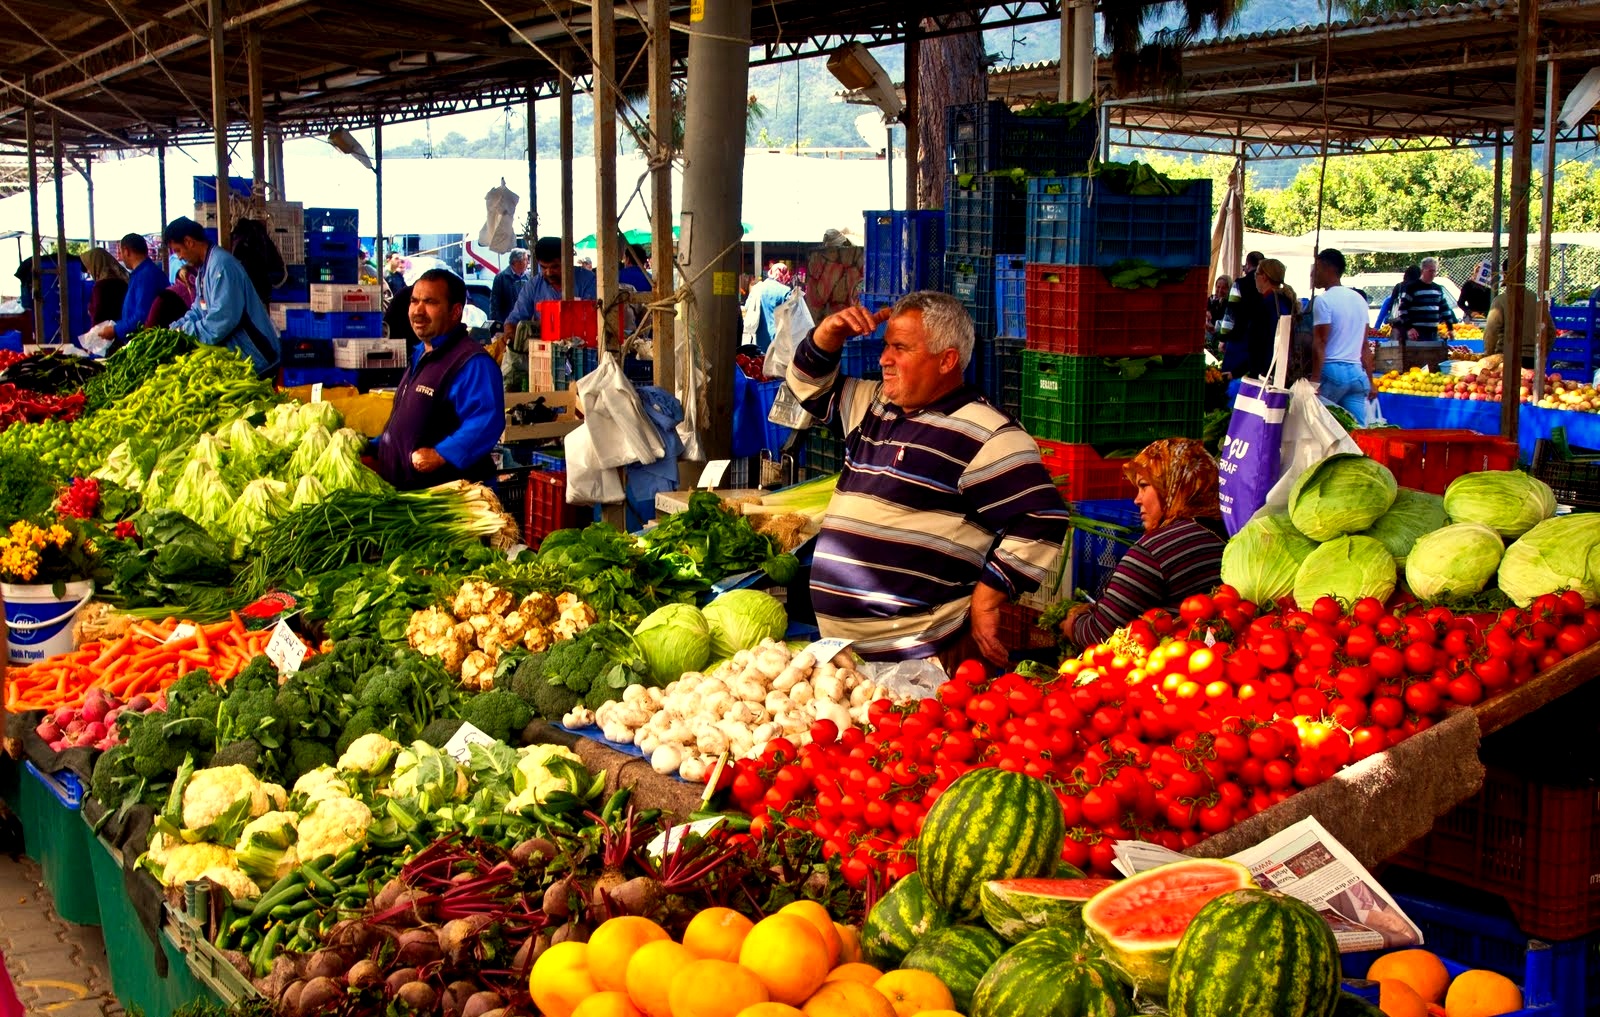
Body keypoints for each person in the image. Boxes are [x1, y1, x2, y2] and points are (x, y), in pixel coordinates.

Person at [786, 291, 1070, 668]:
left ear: (946, 360)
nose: (884, 359)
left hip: (921, 657)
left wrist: (988, 598)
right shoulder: (873, 406)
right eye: (886, 345)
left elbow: (1043, 517)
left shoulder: (987, 433)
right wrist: (828, 335)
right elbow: (806, 385)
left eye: (900, 348)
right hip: (846, 654)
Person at [1058, 438, 1225, 648]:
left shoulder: (1154, 551)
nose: (1137, 499)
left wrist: (1073, 624)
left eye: (1144, 486)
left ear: (1172, 485)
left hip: (1172, 661)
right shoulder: (1229, 531)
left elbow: (1100, 634)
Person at [374, 269, 506, 490]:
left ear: (455, 312)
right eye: (414, 301)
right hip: (410, 494)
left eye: (430, 302)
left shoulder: (471, 362)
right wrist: (378, 444)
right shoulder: (421, 353)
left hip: (450, 498)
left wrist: (441, 454)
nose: (418, 311)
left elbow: (486, 420)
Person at [163, 216, 280, 375]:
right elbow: (198, 310)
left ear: (189, 242)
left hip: (257, 358)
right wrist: (177, 328)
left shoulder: (222, 266)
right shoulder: (203, 271)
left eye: (178, 250)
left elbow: (222, 319)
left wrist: (186, 332)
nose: (179, 257)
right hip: (241, 361)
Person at [1309, 248, 1377, 420]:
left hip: (1332, 372)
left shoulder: (1323, 300)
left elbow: (1320, 342)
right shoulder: (1359, 300)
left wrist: (1315, 381)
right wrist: (1371, 382)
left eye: (1316, 268)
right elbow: (1365, 346)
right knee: (1357, 429)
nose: (1313, 274)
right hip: (1357, 375)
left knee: (1321, 425)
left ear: (1328, 268)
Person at [83, 234, 165, 350]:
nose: (120, 257)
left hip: (146, 343)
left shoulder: (145, 275)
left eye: (121, 252)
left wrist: (115, 330)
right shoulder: (141, 273)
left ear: (126, 251)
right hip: (139, 340)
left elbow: (142, 315)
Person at [1484, 260, 1558, 363]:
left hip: (1505, 359)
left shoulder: (1500, 301)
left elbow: (1491, 332)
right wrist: (1542, 354)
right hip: (1532, 359)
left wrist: (1488, 356)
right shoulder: (1535, 299)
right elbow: (1550, 331)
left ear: (1504, 275)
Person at [1244, 258, 1300, 379]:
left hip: (1266, 370)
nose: (1255, 278)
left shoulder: (1266, 304)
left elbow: (1257, 343)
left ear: (1264, 277)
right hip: (1284, 367)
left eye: (1256, 274)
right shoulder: (1286, 301)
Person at [1216, 251, 1265, 386]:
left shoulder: (1239, 284)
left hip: (1239, 338)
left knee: (1231, 379)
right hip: (1258, 339)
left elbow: (1230, 312)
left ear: (1247, 264)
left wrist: (1223, 339)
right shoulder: (1266, 286)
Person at [1398, 257, 1457, 344]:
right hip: (1416, 334)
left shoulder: (1438, 289)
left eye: (1434, 271)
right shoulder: (1412, 288)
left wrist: (1450, 328)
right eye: (1430, 271)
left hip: (1433, 332)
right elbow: (1402, 309)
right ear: (1422, 271)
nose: (1433, 274)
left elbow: (1445, 309)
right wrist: (1409, 328)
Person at [742, 262, 795, 351]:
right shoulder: (785, 291)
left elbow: (747, 307)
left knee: (760, 358)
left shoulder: (757, 288)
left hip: (758, 336)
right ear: (784, 275)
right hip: (778, 337)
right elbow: (792, 316)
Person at [81, 247, 128, 326]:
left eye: (89, 268)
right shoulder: (123, 281)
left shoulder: (101, 287)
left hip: (107, 330)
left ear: (96, 265)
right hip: (122, 327)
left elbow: (98, 315)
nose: (89, 272)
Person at [1376, 265, 1421, 338]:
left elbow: (1390, 304)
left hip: (1399, 325)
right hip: (1415, 326)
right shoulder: (1419, 287)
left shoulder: (1399, 286)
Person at [489, 248, 528, 325]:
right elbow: (495, 304)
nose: (528, 262)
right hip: (508, 323)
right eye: (525, 260)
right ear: (516, 262)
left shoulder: (528, 276)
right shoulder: (501, 278)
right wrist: (498, 324)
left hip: (524, 322)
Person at [1206, 274, 1231, 341]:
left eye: (1223, 288)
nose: (1220, 290)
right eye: (1218, 287)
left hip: (1221, 339)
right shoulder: (1210, 300)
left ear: (1229, 289)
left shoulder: (1230, 304)